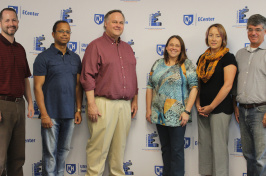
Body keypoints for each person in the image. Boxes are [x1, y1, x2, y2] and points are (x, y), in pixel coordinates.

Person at [80, 9, 138, 176]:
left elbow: (132, 76)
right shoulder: (95, 46)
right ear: (105, 23)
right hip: (102, 104)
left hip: (125, 105)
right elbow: (87, 76)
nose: (118, 25)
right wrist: (91, 104)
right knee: (98, 150)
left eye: (121, 22)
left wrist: (135, 100)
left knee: (118, 153)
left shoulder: (127, 48)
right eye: (114, 22)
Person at [33, 20, 82, 176]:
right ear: (53, 34)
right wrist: (44, 114)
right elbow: (37, 87)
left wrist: (78, 109)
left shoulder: (75, 58)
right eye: (61, 31)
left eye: (67, 32)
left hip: (69, 114)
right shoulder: (43, 57)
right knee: (50, 155)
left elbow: (77, 86)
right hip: (51, 115)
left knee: (63, 152)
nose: (65, 34)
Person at [146, 35, 198, 176]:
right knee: (166, 150)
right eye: (171, 44)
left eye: (177, 45)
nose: (173, 47)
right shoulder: (158, 63)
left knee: (177, 152)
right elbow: (150, 86)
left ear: (181, 49)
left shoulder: (186, 64)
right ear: (167, 47)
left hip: (178, 115)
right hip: (159, 114)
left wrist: (187, 111)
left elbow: (194, 88)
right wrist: (148, 109)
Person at [196, 23, 237, 176]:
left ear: (223, 38)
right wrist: (198, 104)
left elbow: (228, 85)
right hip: (203, 110)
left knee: (219, 149)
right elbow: (198, 84)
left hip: (219, 109)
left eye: (217, 35)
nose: (213, 39)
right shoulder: (202, 58)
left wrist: (211, 106)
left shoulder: (228, 57)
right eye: (211, 35)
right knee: (204, 147)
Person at [0, 7, 34, 176]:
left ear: (18, 22)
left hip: (19, 105)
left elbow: (25, 78)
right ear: (1, 23)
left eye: (13, 20)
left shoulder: (20, 49)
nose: (11, 24)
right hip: (2, 106)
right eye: (7, 20)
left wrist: (30, 103)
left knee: (17, 158)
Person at [233, 14, 266, 176]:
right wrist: (235, 106)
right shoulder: (239, 54)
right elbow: (234, 84)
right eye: (250, 29)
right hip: (242, 110)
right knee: (249, 155)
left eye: (258, 30)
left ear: (264, 32)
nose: (254, 33)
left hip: (261, 112)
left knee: (261, 158)